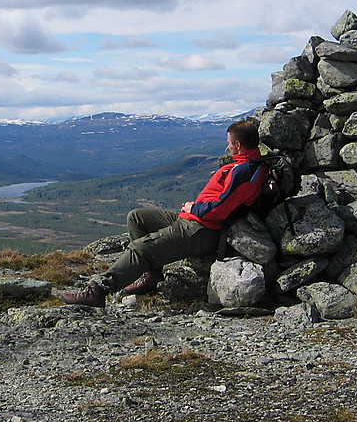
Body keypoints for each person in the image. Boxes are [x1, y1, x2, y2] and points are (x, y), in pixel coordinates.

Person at [62, 119, 266, 307]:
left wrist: (192, 208)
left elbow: (221, 210)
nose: (228, 146)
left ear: (238, 144)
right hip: (193, 220)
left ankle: (98, 291)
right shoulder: (245, 164)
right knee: (137, 218)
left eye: (229, 142)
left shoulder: (245, 171)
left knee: (140, 248)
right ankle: (152, 276)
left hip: (202, 229)